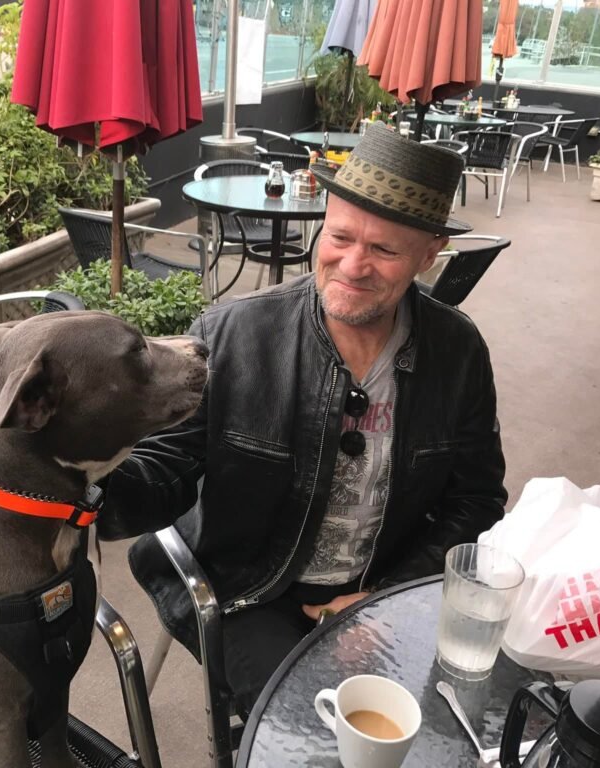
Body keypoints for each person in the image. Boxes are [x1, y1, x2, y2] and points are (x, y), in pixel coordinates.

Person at [98, 122, 508, 719]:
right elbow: (167, 471)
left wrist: (383, 599)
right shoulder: (234, 334)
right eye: (339, 237)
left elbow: (475, 499)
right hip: (249, 590)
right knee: (314, 729)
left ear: (429, 255)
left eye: (385, 251)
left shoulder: (458, 350)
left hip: (386, 583)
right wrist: (79, 476)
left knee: (451, 725)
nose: (353, 264)